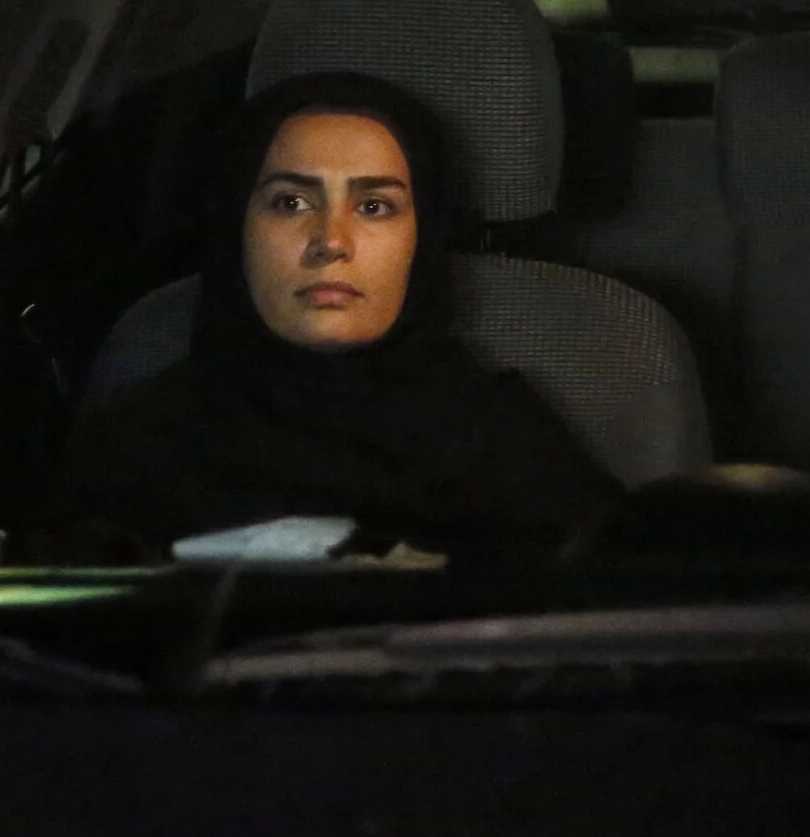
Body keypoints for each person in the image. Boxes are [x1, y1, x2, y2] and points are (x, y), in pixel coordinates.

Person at [49, 71, 619, 562]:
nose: (331, 242)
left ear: (422, 243)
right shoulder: (130, 452)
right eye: (290, 203)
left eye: (374, 207)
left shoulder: (510, 452)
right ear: (234, 232)